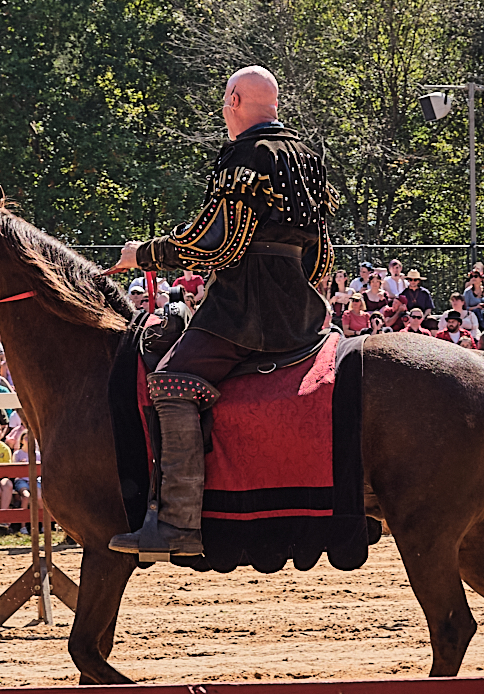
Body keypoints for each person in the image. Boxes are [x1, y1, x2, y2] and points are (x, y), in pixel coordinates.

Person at [110, 72, 329, 553]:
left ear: (233, 100)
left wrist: (141, 255)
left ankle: (179, 523)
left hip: (243, 310)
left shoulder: (244, 156)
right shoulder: (308, 158)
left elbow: (215, 241)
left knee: (170, 380)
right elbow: (320, 253)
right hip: (303, 309)